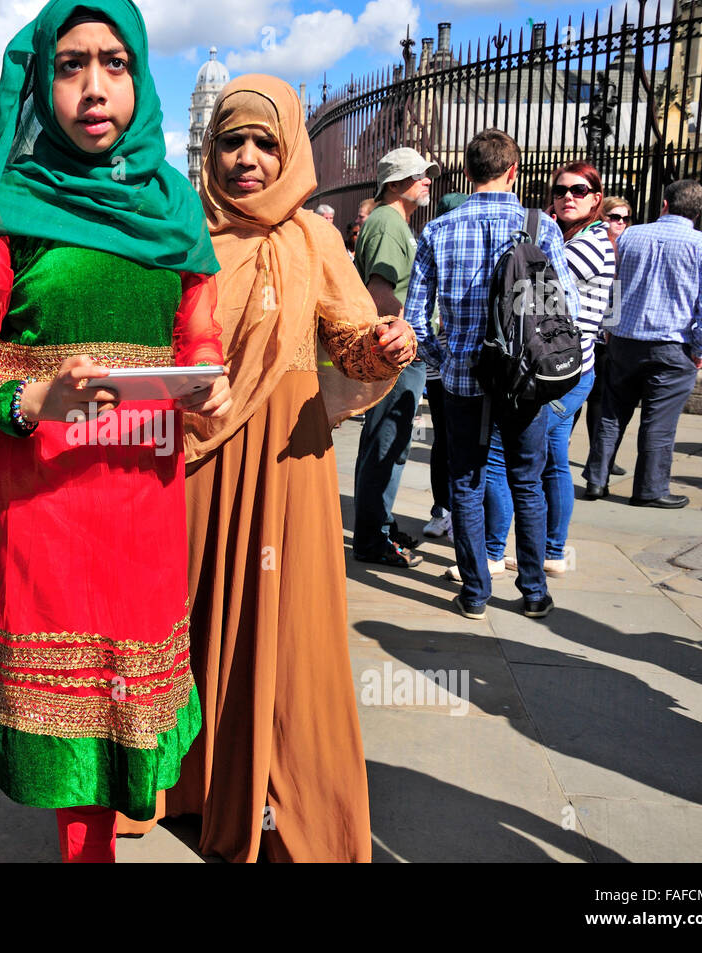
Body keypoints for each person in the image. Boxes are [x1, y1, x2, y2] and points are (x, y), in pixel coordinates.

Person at [0, 0, 229, 863]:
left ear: (142, 79)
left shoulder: (174, 212)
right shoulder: (8, 212)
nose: (94, 87)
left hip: (144, 506)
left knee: (134, 704)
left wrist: (209, 395)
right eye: (71, 64)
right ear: (42, 78)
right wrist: (33, 401)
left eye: (114, 63)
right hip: (45, 506)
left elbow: (200, 345)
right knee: (70, 720)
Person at [158, 75, 415, 862]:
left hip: (288, 452)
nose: (245, 159)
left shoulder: (316, 239)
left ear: (290, 150)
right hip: (198, 449)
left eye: (264, 144)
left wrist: (382, 346)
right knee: (189, 609)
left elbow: (347, 336)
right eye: (231, 141)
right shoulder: (181, 234)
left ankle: (281, 798)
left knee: (290, 625)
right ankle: (186, 783)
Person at [404, 128, 579, 621]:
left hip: (462, 380)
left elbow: (415, 320)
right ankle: (534, 591)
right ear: (513, 170)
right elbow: (570, 304)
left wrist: (445, 359)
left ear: (466, 171)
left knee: (466, 481)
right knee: (527, 480)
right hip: (525, 378)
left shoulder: (436, 231)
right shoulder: (541, 226)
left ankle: (475, 592)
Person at [484, 161, 616, 576]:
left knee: (530, 457)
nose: (567, 198)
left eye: (579, 191)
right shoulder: (570, 238)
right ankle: (548, 552)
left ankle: (530, 551)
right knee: (551, 458)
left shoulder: (589, 245)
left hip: (566, 372)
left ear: (596, 198)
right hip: (558, 366)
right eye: (560, 192)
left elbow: (532, 277)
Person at [584, 179, 702, 508]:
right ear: (699, 212)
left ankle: (595, 479)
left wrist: (610, 326)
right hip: (672, 347)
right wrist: (701, 348)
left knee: (611, 413)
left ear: (664, 204)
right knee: (658, 423)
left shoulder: (631, 235)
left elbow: (613, 284)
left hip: (625, 341)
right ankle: (649, 489)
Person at [350, 147, 439, 568]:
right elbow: (382, 295)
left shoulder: (393, 221)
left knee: (389, 441)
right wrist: (398, 345)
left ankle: (378, 525)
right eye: (419, 176)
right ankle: (372, 538)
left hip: (399, 351)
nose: (427, 182)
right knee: (387, 443)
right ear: (396, 182)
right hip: (397, 351)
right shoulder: (388, 222)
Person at [421, 191, 467, 542]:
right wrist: (438, 358)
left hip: (456, 364)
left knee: (455, 443)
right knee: (447, 441)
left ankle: (457, 514)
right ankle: (443, 510)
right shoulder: (435, 249)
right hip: (443, 365)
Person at [576, 194, 631, 478]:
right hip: (583, 333)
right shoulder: (592, 243)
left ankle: (598, 458)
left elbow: (616, 294)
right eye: (614, 217)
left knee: (599, 398)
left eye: (625, 218)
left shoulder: (623, 248)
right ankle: (558, 444)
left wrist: (612, 326)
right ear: (603, 216)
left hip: (604, 335)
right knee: (573, 398)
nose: (620, 223)